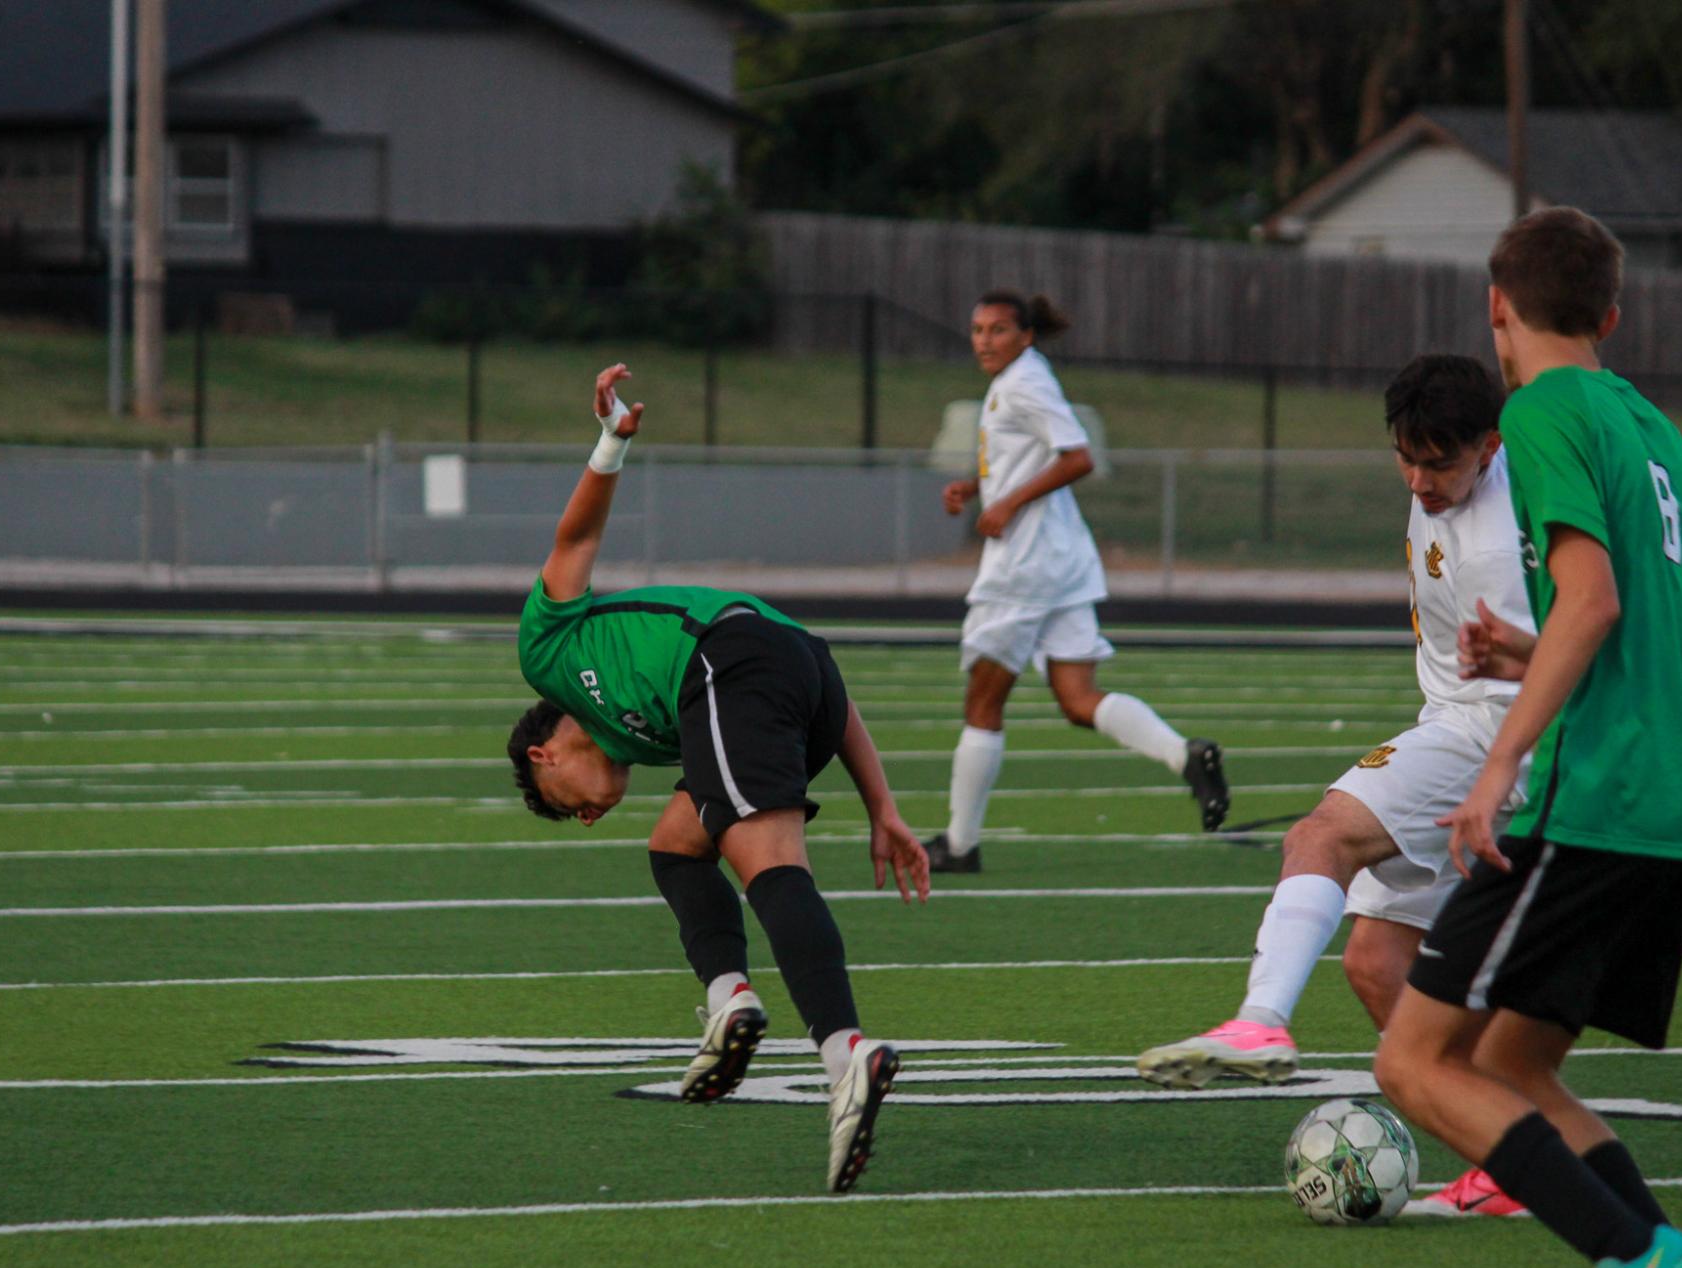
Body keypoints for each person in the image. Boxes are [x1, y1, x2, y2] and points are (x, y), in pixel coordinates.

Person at [1133, 353, 1682, 1222]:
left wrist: (1665, 676)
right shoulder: (1444, 481)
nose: (1420, 479)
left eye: (1439, 462)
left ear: (1490, 446)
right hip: (1454, 725)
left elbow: (1580, 630)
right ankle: (1504, 1160)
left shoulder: (1510, 525)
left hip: (1499, 738)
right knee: (1377, 964)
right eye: (1406, 458)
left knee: (1319, 837)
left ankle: (1260, 1021)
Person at [1373, 208, 1682, 1268]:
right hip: (1675, 808)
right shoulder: (1660, 433)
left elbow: (1591, 598)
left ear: (1497, 307)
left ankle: (1640, 1257)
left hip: (1593, 794)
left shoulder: (1539, 410)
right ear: (1612, 314)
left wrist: (1497, 767)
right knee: (1513, 1063)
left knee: (1414, 1058)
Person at [508, 363, 931, 1195]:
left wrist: (608, 445)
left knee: (769, 863)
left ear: (542, 755)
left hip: (732, 658)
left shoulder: (546, 656)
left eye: (563, 811)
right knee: (676, 845)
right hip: (796, 666)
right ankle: (730, 998)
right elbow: (826, 703)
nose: (585, 819)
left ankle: (845, 1052)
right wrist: (881, 804)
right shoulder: (661, 735)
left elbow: (573, 544)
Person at [925, 289, 1229, 874]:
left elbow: (1077, 457)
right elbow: (1029, 458)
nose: (985, 341)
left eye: (998, 331)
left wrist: (1007, 503)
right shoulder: (1020, 378)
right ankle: (1183, 755)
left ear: (1026, 335)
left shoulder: (1023, 382)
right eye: (977, 330)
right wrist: (977, 486)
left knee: (982, 703)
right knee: (1077, 698)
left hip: (1026, 566)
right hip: (1061, 562)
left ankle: (960, 846)